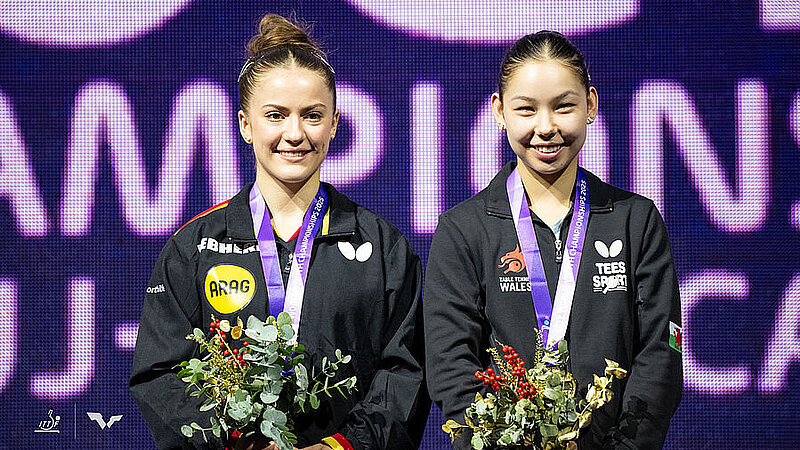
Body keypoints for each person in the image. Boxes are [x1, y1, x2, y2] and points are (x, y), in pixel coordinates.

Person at [130, 14, 429, 450]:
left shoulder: (382, 247)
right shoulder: (193, 246)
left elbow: (405, 372)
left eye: (312, 115)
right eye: (275, 115)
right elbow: (160, 374)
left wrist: (340, 447)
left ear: (334, 123)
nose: (295, 133)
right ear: (246, 125)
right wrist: (232, 441)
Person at [424, 31, 682, 449]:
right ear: (499, 111)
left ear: (591, 106)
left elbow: (660, 355)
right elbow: (451, 367)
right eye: (526, 109)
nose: (546, 128)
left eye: (564, 107)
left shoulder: (636, 222)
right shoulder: (463, 230)